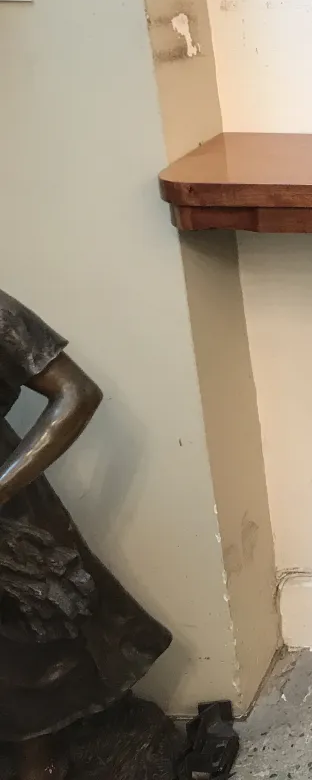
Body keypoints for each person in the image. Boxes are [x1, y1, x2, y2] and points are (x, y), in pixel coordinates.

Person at [0, 291, 171, 780]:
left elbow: (76, 393)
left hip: (8, 516)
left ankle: (42, 761)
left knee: (26, 643)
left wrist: (3, 489)